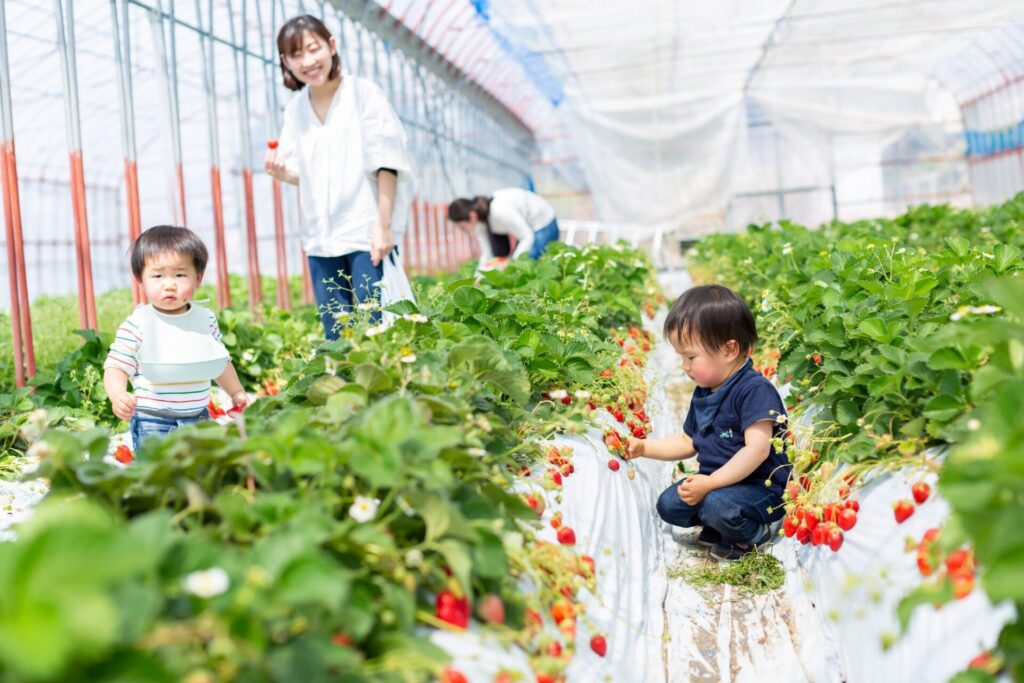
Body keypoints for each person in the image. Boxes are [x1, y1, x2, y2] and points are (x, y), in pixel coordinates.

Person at [265, 14, 414, 340]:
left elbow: (387, 164)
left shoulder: (363, 94)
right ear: (285, 62)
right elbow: (305, 175)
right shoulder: (295, 110)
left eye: (313, 49)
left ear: (331, 46)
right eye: (296, 55)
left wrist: (383, 226)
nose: (308, 61)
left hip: (365, 233)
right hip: (320, 237)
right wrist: (281, 173)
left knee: (379, 328)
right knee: (338, 334)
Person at [624, 285, 790, 561]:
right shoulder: (705, 390)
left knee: (716, 504)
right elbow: (688, 442)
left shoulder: (755, 390)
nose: (685, 366)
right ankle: (720, 522)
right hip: (719, 487)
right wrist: (644, 448)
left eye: (691, 357)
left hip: (760, 490)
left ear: (729, 350)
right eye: (682, 358)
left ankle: (755, 530)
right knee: (669, 505)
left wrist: (710, 483)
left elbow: (757, 450)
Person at [103, 226, 249, 454]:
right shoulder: (138, 323)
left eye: (180, 274)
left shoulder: (205, 319)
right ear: (141, 280)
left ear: (198, 278)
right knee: (159, 475)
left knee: (200, 473)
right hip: (154, 420)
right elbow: (116, 366)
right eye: (158, 275)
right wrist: (118, 395)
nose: (169, 284)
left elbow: (220, 362)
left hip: (198, 416)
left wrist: (236, 392)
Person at [447, 189, 560, 263]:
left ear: (472, 216)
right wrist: (478, 278)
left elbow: (527, 236)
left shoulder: (499, 211)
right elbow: (487, 253)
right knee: (519, 262)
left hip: (543, 222)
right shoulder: (480, 222)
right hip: (528, 228)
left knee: (529, 261)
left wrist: (512, 264)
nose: (463, 230)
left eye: (462, 226)